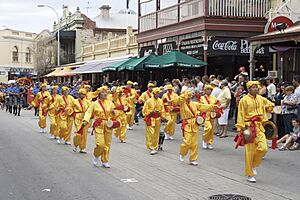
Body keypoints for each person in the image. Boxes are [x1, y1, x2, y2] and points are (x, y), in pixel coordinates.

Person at [235, 81, 273, 183]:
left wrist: (270, 107)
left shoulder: (261, 99)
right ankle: (249, 173)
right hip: (248, 126)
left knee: (263, 148)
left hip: (259, 126)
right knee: (249, 151)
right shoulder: (244, 100)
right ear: (249, 89)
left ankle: (253, 165)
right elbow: (240, 114)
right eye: (254, 87)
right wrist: (241, 128)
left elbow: (269, 105)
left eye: (257, 87)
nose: (256, 89)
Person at [176, 91, 216, 165]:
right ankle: (182, 153)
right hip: (187, 124)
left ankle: (193, 159)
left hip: (194, 124)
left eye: (190, 96)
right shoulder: (182, 104)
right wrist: (184, 95)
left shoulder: (194, 104)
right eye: (187, 96)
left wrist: (212, 106)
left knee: (194, 143)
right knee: (187, 142)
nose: (189, 98)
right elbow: (177, 100)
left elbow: (202, 106)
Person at [83, 86, 117, 168]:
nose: (105, 94)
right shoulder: (94, 104)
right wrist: (86, 120)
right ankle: (96, 155)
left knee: (107, 144)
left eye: (106, 92)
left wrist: (114, 113)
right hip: (99, 125)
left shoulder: (110, 103)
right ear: (99, 94)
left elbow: (115, 115)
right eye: (103, 92)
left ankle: (105, 160)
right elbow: (88, 112)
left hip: (108, 125)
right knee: (100, 144)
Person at [142, 87, 165, 155]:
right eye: (156, 93)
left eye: (158, 93)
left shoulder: (160, 101)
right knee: (150, 133)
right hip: (150, 118)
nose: (158, 94)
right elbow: (144, 110)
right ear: (153, 93)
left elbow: (162, 109)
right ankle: (151, 147)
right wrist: (151, 111)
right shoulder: (148, 101)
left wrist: (162, 116)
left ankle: (155, 146)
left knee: (156, 134)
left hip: (157, 119)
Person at [200, 84, 219, 149]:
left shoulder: (214, 98)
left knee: (212, 130)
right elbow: (201, 106)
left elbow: (218, 104)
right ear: (205, 90)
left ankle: (209, 142)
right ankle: (204, 140)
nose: (209, 91)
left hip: (212, 115)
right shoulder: (202, 98)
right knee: (208, 128)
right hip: (205, 115)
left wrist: (217, 108)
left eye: (210, 90)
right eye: (208, 89)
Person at [73, 88, 92, 153]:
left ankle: (82, 147)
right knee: (78, 132)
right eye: (81, 94)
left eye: (84, 94)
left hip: (85, 118)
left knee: (84, 134)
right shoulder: (74, 101)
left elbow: (91, 110)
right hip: (78, 117)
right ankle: (75, 145)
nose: (82, 95)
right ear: (78, 94)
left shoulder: (88, 102)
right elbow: (70, 108)